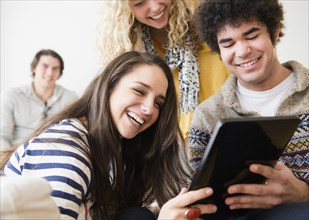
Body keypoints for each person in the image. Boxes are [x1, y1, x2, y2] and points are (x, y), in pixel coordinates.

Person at [4, 51, 217, 220]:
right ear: (109, 86)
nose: (149, 109)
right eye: (139, 91)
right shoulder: (67, 151)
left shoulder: (111, 149)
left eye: (158, 103)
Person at [188, 0, 309, 219]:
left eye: (252, 36)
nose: (242, 51)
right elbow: (201, 201)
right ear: (218, 51)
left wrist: (303, 193)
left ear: (274, 32)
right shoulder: (207, 117)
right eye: (228, 44)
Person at [96, 0, 230, 140]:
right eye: (140, 3)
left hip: (224, 139)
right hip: (168, 152)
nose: (155, 7)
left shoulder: (214, 31)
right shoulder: (131, 52)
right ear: (126, 10)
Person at [1, 49, 77, 153]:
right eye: (45, 66)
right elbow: (2, 136)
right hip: (16, 157)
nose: (50, 73)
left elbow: (74, 135)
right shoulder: (11, 95)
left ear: (60, 73)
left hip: (54, 157)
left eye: (55, 69)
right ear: (34, 68)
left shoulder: (70, 98)